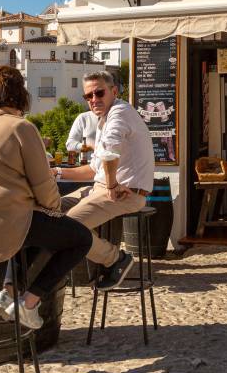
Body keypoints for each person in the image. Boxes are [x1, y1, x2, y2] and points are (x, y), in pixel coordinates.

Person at [0, 66, 92, 330]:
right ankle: (30, 302)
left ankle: (9, 291)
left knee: (33, 229)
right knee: (80, 238)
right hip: (1, 227)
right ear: (21, 93)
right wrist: (55, 209)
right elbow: (44, 184)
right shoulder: (21, 128)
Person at [55, 71, 154, 290]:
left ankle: (115, 259)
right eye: (88, 96)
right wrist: (56, 173)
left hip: (126, 193)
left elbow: (109, 153)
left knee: (66, 228)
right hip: (102, 189)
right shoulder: (103, 119)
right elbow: (94, 169)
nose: (93, 99)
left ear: (114, 91)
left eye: (99, 93)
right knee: (48, 211)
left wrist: (111, 185)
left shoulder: (120, 113)